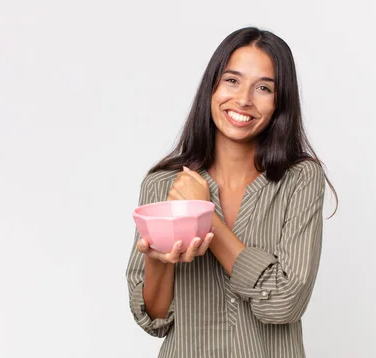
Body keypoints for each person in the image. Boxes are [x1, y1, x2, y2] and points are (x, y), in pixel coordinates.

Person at [126, 26, 338, 358]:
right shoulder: (162, 184)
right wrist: (158, 262)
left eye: (264, 87)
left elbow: (284, 304)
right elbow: (155, 319)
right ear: (211, 86)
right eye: (232, 80)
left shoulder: (300, 179)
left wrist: (205, 215)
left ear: (280, 102)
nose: (243, 100)